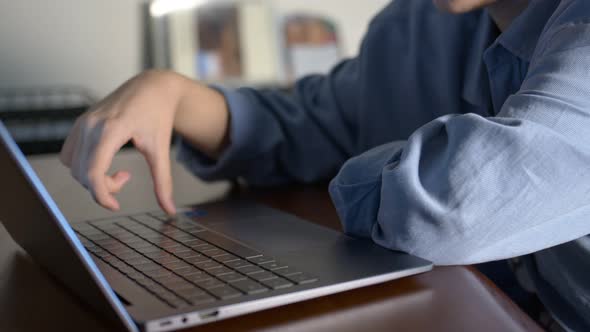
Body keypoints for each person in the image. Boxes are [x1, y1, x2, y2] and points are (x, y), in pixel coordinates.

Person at [60, 0, 590, 330]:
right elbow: (308, 124)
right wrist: (174, 94)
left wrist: (357, 170)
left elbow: (449, 209)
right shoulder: (412, 26)